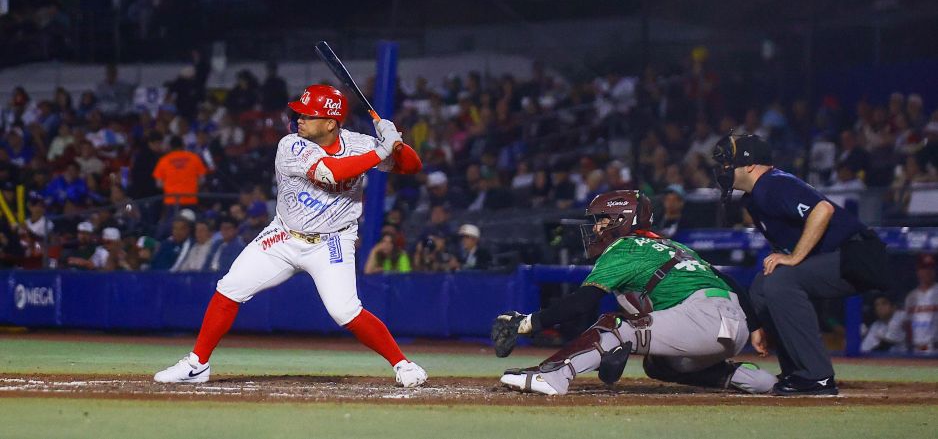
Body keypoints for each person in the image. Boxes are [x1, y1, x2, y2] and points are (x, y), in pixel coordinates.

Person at [154, 85, 427, 387]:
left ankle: (403, 364)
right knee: (230, 288)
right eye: (299, 113)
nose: (299, 119)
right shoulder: (291, 146)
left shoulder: (360, 145)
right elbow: (329, 173)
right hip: (283, 235)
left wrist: (396, 143)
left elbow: (412, 167)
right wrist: (381, 150)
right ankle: (197, 364)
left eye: (308, 115)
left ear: (330, 123)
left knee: (345, 311)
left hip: (333, 241)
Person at [492, 190, 777, 396]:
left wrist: (528, 322)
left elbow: (582, 303)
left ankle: (553, 375)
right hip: (730, 325)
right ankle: (755, 380)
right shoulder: (672, 245)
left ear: (621, 219)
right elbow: (728, 279)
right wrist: (753, 326)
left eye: (602, 219)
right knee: (659, 365)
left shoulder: (624, 247)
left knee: (615, 325)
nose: (596, 227)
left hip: (700, 319)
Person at [712, 133, 889, 395]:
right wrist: (759, 325)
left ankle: (817, 376)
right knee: (763, 284)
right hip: (837, 255)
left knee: (780, 280)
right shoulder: (756, 195)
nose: (724, 170)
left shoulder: (772, 183)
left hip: (858, 253)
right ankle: (797, 371)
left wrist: (794, 258)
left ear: (749, 164)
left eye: (728, 163)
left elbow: (822, 210)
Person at [152, 135, 207, 208]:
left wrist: (171, 185)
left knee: (173, 219)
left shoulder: (163, 160)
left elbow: (158, 184)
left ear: (170, 147)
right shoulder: (194, 158)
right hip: (190, 199)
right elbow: (202, 180)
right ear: (183, 145)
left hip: (171, 200)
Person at [904, 254, 938, 355]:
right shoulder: (911, 297)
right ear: (918, 271)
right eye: (923, 268)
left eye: (930, 268)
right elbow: (908, 324)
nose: (927, 272)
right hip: (916, 350)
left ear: (935, 271)